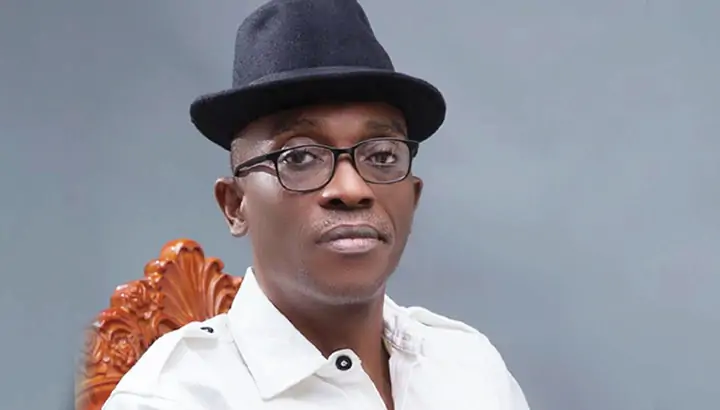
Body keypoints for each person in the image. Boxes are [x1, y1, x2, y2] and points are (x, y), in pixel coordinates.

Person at [102, 0, 530, 409]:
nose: (352, 188)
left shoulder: (470, 368)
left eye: (382, 156)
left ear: (413, 197)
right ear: (235, 204)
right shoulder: (174, 399)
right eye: (299, 157)